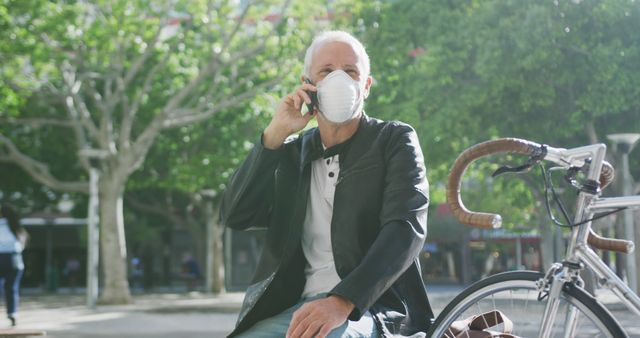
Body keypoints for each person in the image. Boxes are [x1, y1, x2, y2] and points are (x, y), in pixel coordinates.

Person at [220, 30, 433, 338]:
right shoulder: (292, 153)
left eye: (350, 71)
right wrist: (274, 135)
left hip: (370, 309)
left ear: (366, 86)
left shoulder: (394, 140)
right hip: (292, 309)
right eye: (327, 71)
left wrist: (343, 300)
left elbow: (406, 229)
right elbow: (236, 214)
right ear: (309, 85)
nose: (340, 80)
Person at [0, 204, 28, 327]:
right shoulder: (16, 226)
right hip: (14, 259)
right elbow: (22, 244)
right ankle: (12, 313)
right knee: (12, 288)